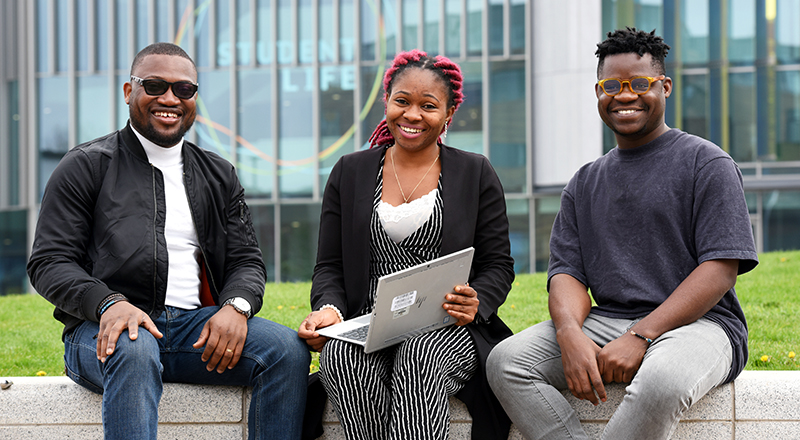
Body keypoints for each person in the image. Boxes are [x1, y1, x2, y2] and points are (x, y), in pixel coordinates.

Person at [27, 42, 309, 440]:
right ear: (129, 92)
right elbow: (50, 262)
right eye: (155, 85)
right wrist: (109, 303)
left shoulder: (218, 173)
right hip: (101, 332)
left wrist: (236, 307)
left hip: (193, 330)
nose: (169, 99)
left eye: (184, 90)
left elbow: (247, 260)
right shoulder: (86, 165)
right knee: (135, 348)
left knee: (286, 350)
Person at [487, 28, 759, 440]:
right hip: (607, 320)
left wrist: (641, 334)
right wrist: (570, 334)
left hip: (702, 325)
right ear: (598, 92)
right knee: (506, 362)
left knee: (662, 381)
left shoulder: (707, 163)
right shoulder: (584, 182)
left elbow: (720, 269)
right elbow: (567, 275)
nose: (624, 95)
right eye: (611, 85)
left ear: (664, 86)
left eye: (639, 84)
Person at [297, 49, 515, 440]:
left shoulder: (474, 171)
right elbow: (329, 264)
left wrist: (477, 299)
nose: (412, 115)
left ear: (449, 114)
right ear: (386, 101)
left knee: (419, 356)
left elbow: (498, 263)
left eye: (428, 106)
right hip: (368, 324)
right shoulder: (350, 172)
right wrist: (328, 309)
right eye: (402, 101)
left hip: (446, 328)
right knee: (340, 359)